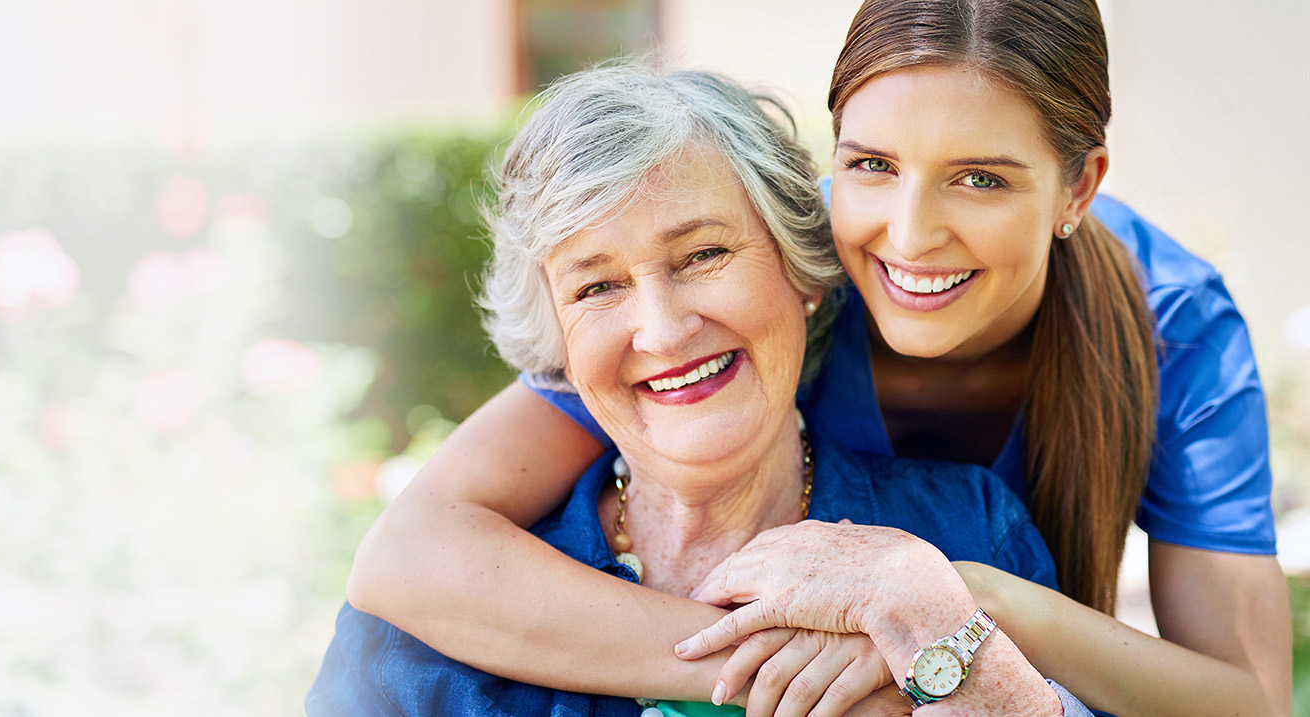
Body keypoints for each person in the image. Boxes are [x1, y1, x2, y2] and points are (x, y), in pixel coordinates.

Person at [347, 1, 1291, 715]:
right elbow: (415, 554)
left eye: (981, 178)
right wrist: (795, 664)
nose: (910, 235)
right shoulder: (787, 257)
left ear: (1077, 186)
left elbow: (1242, 700)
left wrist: (961, 604)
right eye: (871, 163)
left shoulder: (1173, 324)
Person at [310, 64, 1093, 717]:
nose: (662, 329)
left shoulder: (966, 532)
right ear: (559, 346)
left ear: (801, 273)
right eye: (597, 288)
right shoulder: (419, 631)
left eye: (703, 255)